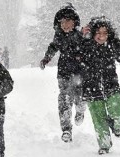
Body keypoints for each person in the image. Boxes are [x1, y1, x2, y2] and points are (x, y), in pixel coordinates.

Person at [80, 16, 120, 155]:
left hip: (111, 85)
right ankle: (104, 145)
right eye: (98, 33)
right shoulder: (84, 46)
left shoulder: (111, 46)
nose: (102, 36)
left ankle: (116, 125)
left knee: (119, 111)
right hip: (91, 87)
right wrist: (80, 34)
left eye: (105, 33)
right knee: (99, 119)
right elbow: (71, 49)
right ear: (92, 33)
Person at [40, 3, 86, 143]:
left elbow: (87, 48)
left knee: (79, 97)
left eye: (69, 22)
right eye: (62, 22)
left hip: (79, 72)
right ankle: (66, 129)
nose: (65, 25)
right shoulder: (59, 36)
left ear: (75, 23)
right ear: (58, 24)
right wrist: (46, 58)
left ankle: (80, 110)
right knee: (64, 99)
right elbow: (53, 47)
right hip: (64, 72)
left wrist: (81, 55)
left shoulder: (80, 35)